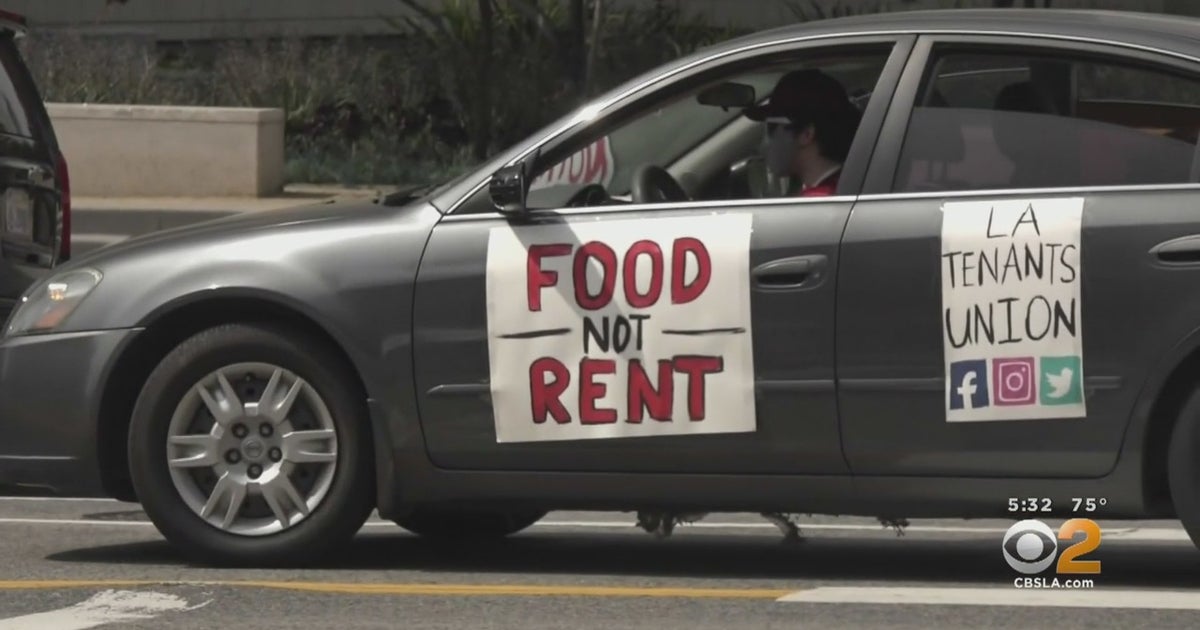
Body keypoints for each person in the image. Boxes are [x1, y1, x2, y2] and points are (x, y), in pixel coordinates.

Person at [744, 68, 863, 197]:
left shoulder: (819, 201)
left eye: (772, 128)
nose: (763, 145)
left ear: (806, 135)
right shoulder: (856, 184)